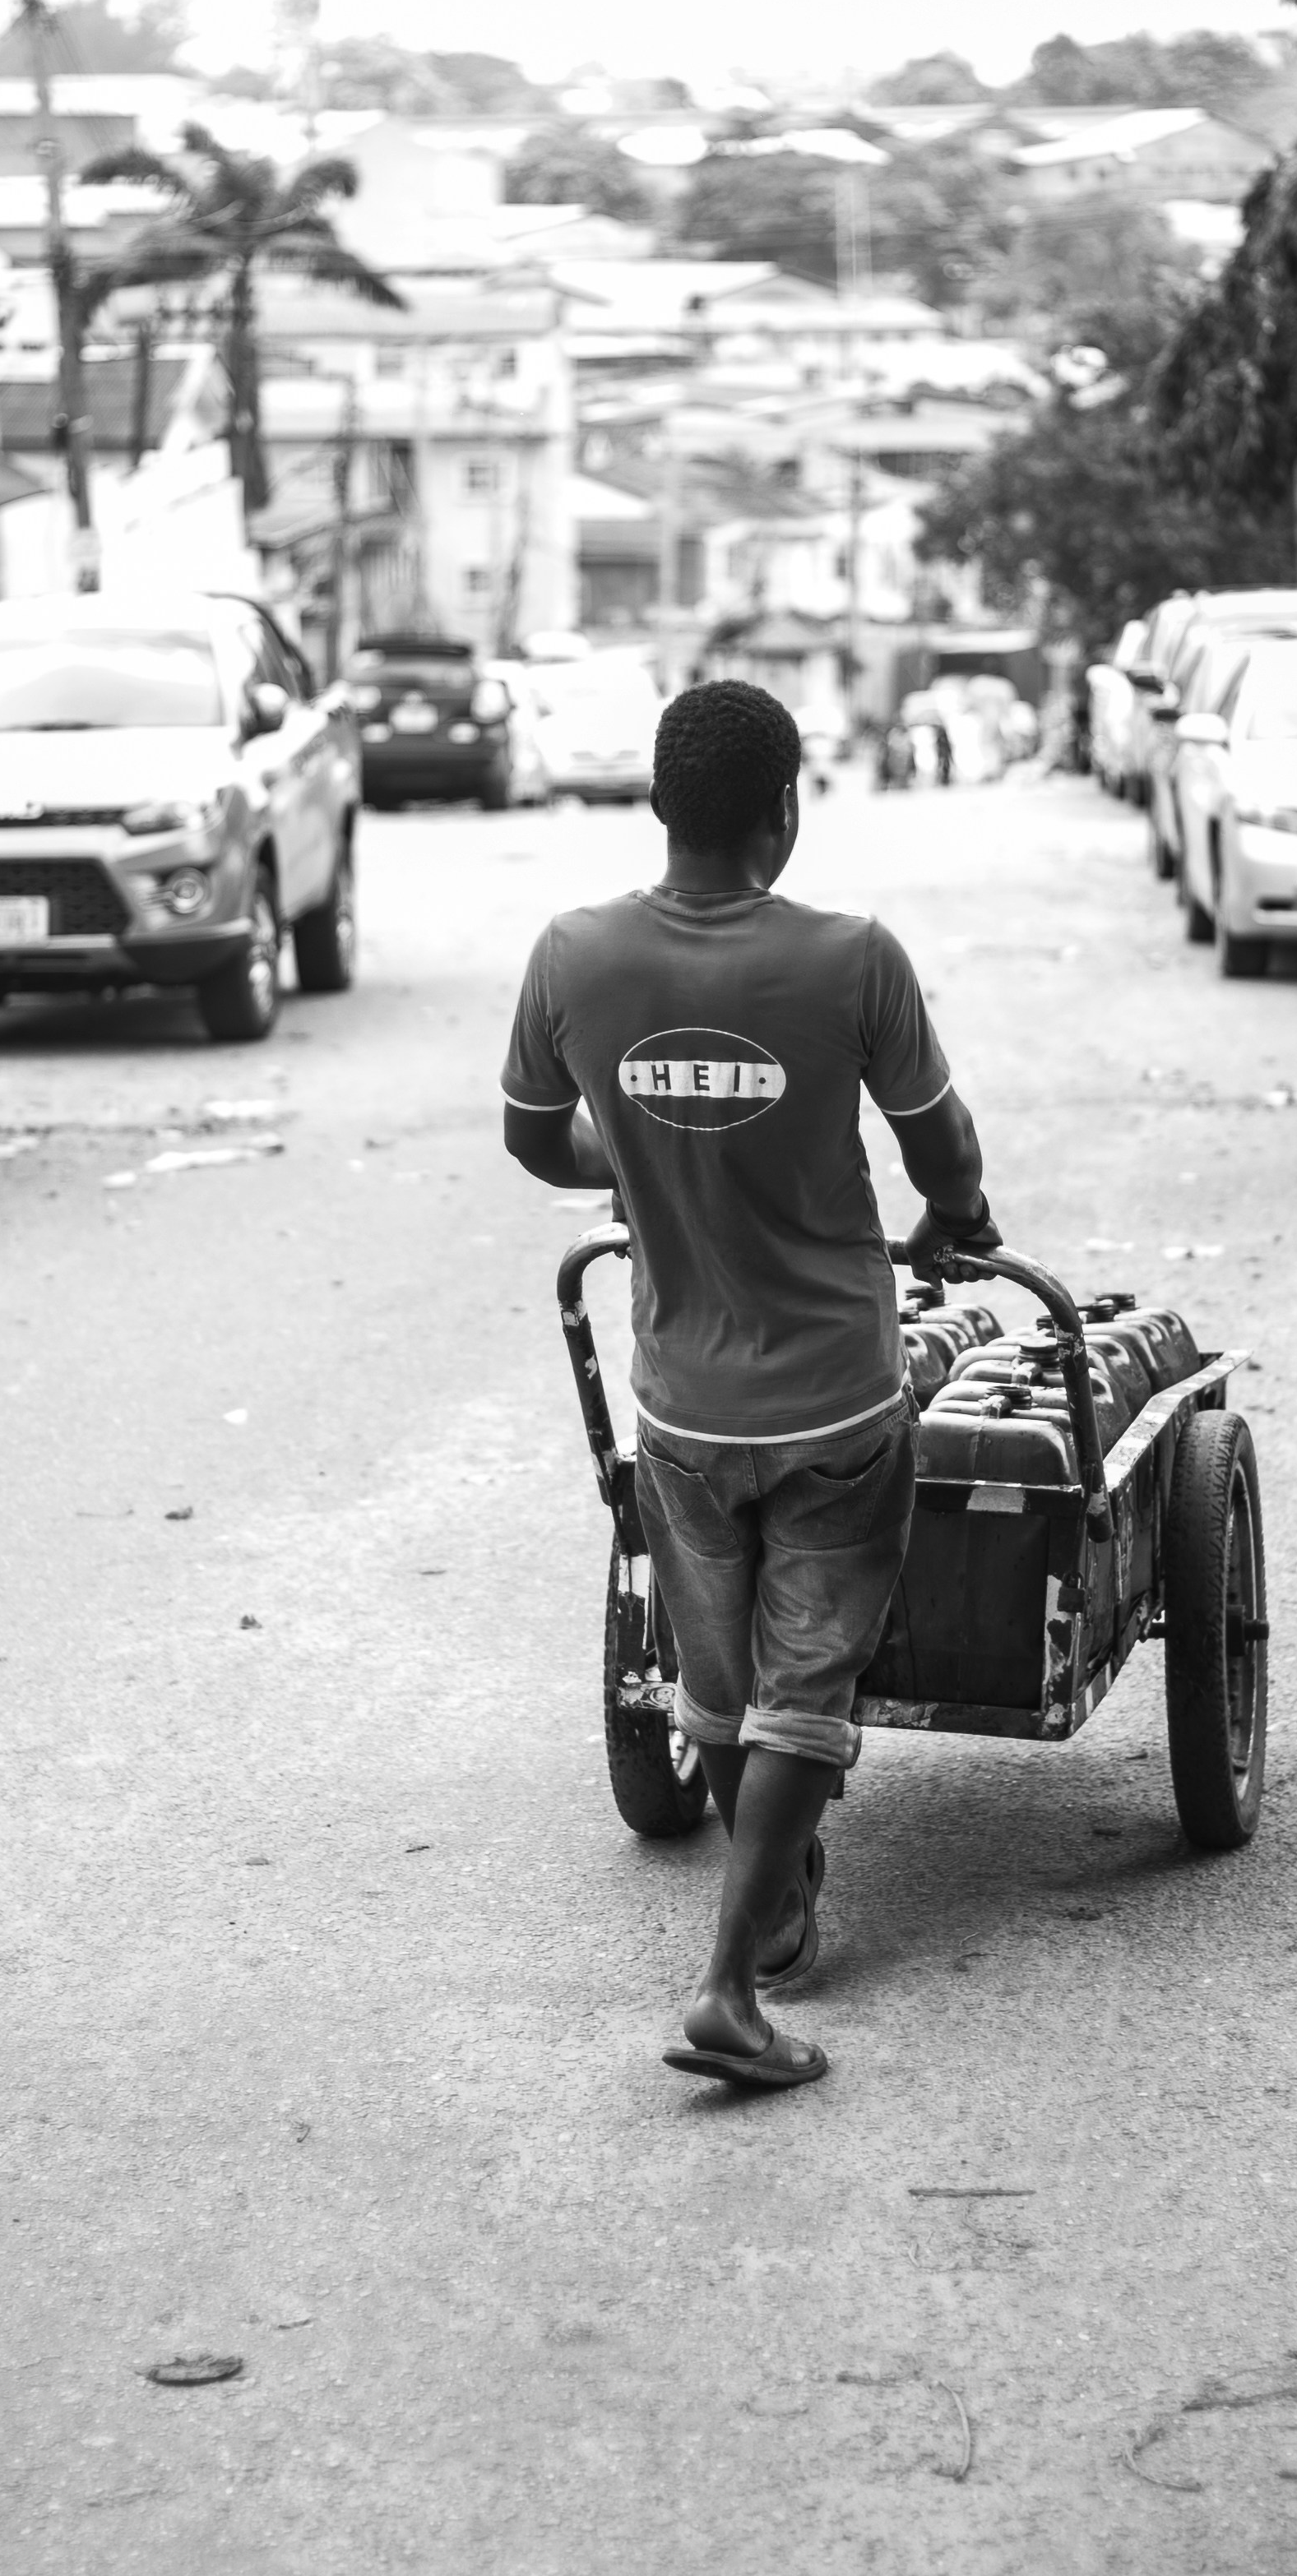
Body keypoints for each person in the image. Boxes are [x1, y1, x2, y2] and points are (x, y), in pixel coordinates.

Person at [501, 678, 997, 2093]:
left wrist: (651, 1157)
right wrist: (957, 1215)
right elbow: (939, 1143)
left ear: (662, 806)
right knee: (803, 1684)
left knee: (715, 1685)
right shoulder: (851, 958)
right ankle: (726, 1982)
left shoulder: (572, 954)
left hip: (683, 1409)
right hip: (840, 1401)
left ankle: (775, 1905)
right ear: (783, 809)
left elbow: (540, 1140)